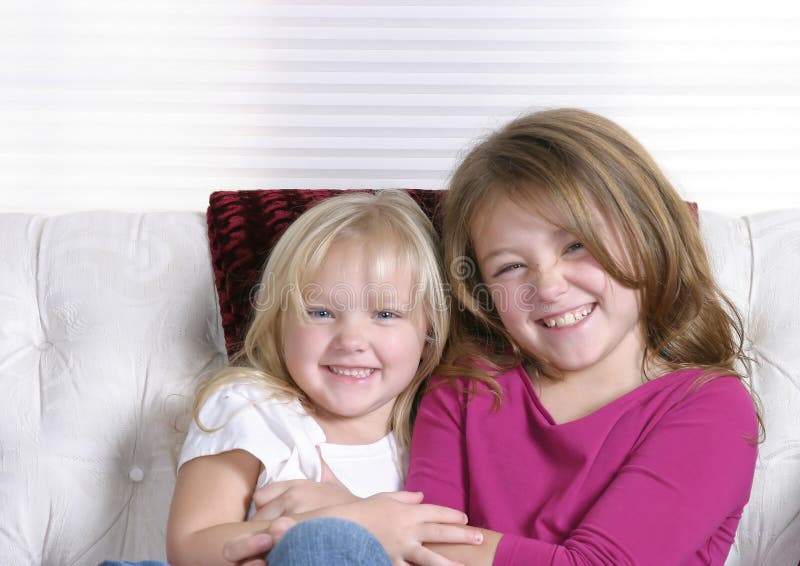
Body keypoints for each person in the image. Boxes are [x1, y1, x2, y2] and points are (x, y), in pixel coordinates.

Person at [224, 108, 759, 565]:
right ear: (481, 289)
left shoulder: (709, 406)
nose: (547, 286)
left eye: (575, 245)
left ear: (647, 234)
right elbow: (425, 552)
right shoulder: (469, 383)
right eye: (509, 268)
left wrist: (371, 520)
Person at [166, 190, 483, 566]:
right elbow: (190, 545)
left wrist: (354, 516)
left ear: (428, 335)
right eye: (320, 313)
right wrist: (350, 521)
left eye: (385, 315)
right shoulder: (252, 408)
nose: (351, 340)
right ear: (280, 320)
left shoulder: (436, 438)